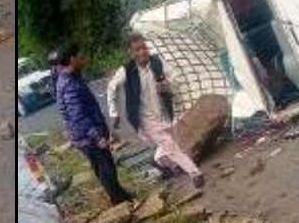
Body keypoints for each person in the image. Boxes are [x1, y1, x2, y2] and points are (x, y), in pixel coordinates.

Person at [107, 32, 205, 189]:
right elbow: (111, 88)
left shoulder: (157, 62)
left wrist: (166, 85)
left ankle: (158, 160)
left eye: (144, 48)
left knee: (170, 143)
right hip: (145, 118)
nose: (142, 52)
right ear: (131, 53)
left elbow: (176, 79)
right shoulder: (126, 71)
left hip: (164, 112)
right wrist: (114, 113)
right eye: (137, 50)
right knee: (170, 144)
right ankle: (195, 173)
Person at [56, 45, 133, 205]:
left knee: (102, 168)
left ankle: (119, 196)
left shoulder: (66, 78)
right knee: (107, 169)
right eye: (79, 56)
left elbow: (67, 113)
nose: (82, 58)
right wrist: (97, 136)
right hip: (88, 137)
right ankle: (121, 201)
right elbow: (78, 115)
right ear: (71, 59)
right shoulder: (70, 84)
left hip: (82, 136)